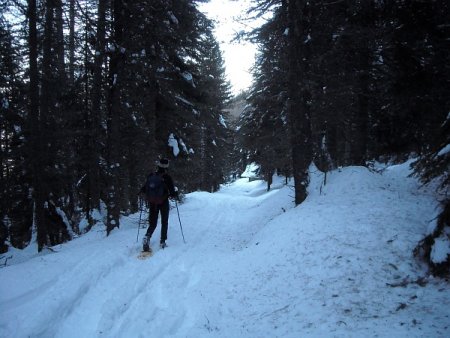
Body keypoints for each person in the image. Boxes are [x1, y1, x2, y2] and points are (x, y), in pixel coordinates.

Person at [140, 158, 177, 251]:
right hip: (163, 202)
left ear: (158, 165)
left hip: (152, 202)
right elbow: (172, 192)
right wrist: (174, 193)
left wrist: (141, 191)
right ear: (167, 166)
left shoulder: (151, 175)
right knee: (164, 222)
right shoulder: (167, 177)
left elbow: (145, 188)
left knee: (153, 223)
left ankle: (147, 236)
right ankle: (162, 242)